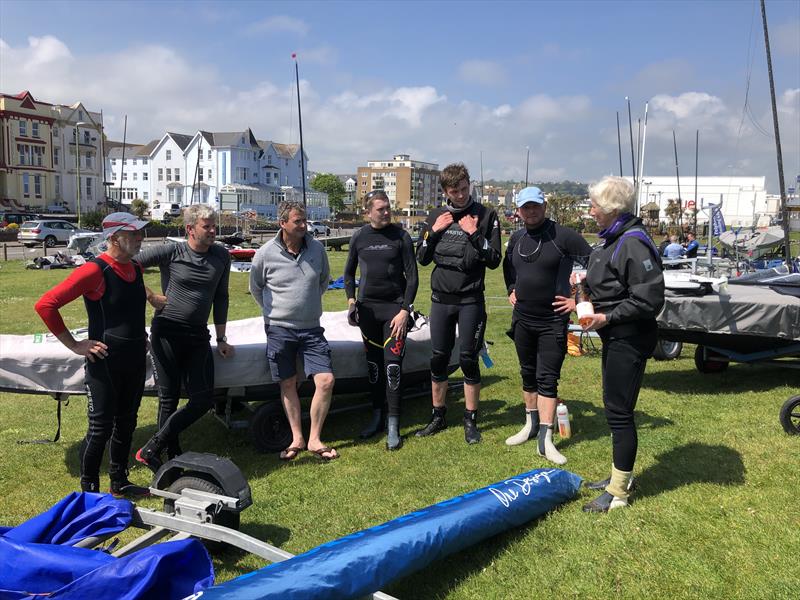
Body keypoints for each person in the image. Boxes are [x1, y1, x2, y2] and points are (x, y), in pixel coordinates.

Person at [35, 212, 151, 497]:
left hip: (135, 359)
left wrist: (153, 301)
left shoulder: (135, 267)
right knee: (100, 429)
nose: (140, 238)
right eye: (134, 234)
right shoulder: (95, 271)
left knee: (127, 423)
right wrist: (75, 345)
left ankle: (119, 482)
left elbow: (129, 301)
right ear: (113, 238)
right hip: (105, 364)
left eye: (141, 233)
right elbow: (46, 305)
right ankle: (89, 492)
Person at [579, 176, 665, 512]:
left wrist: (607, 317)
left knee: (619, 412)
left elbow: (649, 300)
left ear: (613, 209)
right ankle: (619, 475)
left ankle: (618, 492)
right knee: (614, 408)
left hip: (629, 337)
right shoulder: (612, 239)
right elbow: (611, 282)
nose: (591, 212)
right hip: (615, 336)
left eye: (595, 206)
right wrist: (584, 287)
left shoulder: (632, 242)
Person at [135, 205, 234, 472]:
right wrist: (150, 296)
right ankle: (171, 455)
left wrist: (222, 338)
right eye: (207, 226)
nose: (213, 230)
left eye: (214, 226)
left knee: (203, 399)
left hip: (198, 334)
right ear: (190, 229)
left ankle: (152, 448)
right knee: (168, 398)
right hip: (167, 332)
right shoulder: (172, 251)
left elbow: (221, 297)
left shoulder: (221, 256)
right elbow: (128, 264)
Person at [502, 187, 592, 464]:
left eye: (535, 206)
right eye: (525, 207)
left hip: (552, 320)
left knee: (547, 379)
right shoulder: (517, 237)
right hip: (523, 319)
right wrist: (512, 288)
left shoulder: (563, 236)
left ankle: (546, 438)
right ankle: (530, 426)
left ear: (544, 207)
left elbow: (594, 264)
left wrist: (578, 302)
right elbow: (508, 267)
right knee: (527, 374)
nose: (531, 212)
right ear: (518, 210)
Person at [415, 163, 502, 444]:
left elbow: (494, 260)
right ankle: (438, 415)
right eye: (455, 191)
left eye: (465, 189)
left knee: (467, 359)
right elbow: (423, 257)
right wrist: (434, 232)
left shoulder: (486, 215)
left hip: (470, 301)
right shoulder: (435, 215)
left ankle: (470, 419)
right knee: (438, 357)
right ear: (445, 192)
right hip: (441, 300)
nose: (462, 195)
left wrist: (474, 235)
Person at [249, 201, 338, 461]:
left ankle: (314, 439)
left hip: (311, 328)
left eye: (304, 220)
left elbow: (322, 282)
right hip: (279, 329)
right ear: (283, 223)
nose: (303, 225)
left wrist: (306, 306)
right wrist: (274, 313)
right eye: (298, 221)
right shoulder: (265, 253)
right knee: (288, 383)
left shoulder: (317, 249)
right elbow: (256, 287)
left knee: (326, 380)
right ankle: (297, 437)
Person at [343, 190, 418, 450]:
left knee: (392, 368)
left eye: (388, 208)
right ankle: (376, 415)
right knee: (374, 368)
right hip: (368, 312)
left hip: (394, 312)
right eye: (380, 209)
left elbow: (413, 276)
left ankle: (393, 423)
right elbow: (348, 273)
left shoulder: (401, 236)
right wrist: (351, 302)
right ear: (368, 212)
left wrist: (405, 310)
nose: (386, 212)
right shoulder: (359, 237)